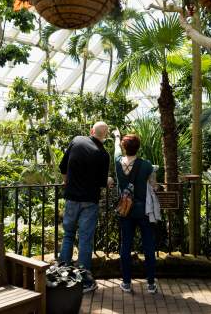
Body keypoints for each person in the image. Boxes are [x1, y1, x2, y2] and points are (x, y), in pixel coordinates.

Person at [59, 121, 114, 292]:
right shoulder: (104, 155)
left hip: (71, 198)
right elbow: (100, 182)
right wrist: (109, 181)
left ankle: (62, 274)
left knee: (68, 235)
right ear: (105, 136)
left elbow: (63, 166)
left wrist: (66, 180)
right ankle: (83, 281)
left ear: (91, 131)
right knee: (85, 240)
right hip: (89, 201)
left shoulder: (77, 140)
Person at [113, 129, 159, 294]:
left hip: (126, 210)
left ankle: (126, 283)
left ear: (124, 147)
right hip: (143, 210)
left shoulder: (118, 162)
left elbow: (116, 150)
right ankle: (151, 284)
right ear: (138, 147)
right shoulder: (146, 165)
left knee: (125, 245)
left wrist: (117, 136)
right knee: (148, 246)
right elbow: (154, 186)